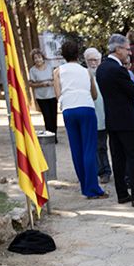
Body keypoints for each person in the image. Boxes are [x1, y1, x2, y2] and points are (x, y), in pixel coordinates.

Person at [96, 34, 134, 207]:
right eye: (127, 49)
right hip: (126, 120)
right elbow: (132, 92)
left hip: (112, 120)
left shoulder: (102, 68)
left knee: (118, 158)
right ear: (118, 49)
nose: (129, 53)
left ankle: (122, 194)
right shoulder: (117, 70)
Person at [52, 39, 104, 200]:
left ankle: (84, 186)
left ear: (63, 55)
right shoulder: (86, 71)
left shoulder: (58, 71)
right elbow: (94, 94)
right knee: (89, 148)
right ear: (78, 54)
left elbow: (57, 94)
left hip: (68, 110)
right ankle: (93, 188)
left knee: (77, 149)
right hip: (86, 108)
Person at [83, 48, 112, 186]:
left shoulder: (105, 73)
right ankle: (102, 171)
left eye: (96, 60)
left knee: (104, 146)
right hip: (91, 115)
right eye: (90, 60)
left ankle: (106, 170)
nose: (93, 63)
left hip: (107, 115)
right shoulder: (84, 75)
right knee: (97, 146)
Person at [28, 48, 58, 135]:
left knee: (53, 116)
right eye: (35, 58)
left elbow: (56, 79)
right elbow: (31, 83)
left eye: (39, 57)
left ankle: (54, 133)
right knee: (47, 116)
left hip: (52, 95)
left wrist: (50, 83)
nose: (38, 60)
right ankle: (50, 134)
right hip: (41, 97)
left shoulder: (50, 67)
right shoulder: (32, 70)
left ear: (43, 58)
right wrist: (41, 84)